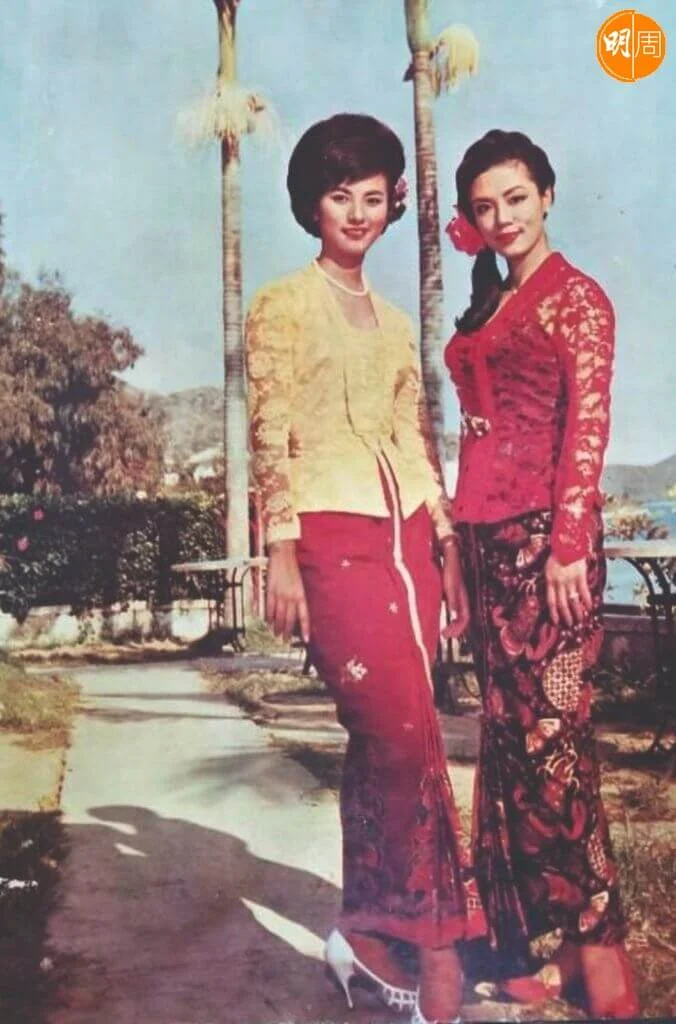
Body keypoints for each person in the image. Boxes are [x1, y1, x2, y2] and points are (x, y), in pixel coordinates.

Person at [245, 113, 485, 1024]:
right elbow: (270, 431)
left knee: (392, 738)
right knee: (402, 734)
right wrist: (280, 549)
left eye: (373, 197)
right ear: (313, 204)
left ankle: (363, 932)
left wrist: (447, 545)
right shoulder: (280, 305)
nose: (357, 211)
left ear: (392, 206)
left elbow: (414, 443)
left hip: (408, 544)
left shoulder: (391, 324)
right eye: (339, 194)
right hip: (330, 539)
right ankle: (439, 944)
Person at [443, 128, 640, 1019]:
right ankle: (522, 943)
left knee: (556, 746)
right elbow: (471, 443)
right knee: (506, 748)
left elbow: (587, 427)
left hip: (547, 549)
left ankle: (600, 945)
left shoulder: (578, 300)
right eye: (485, 207)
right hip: (486, 547)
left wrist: (567, 544)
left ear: (547, 196)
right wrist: (456, 551)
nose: (502, 218)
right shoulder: (489, 305)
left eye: (516, 198)